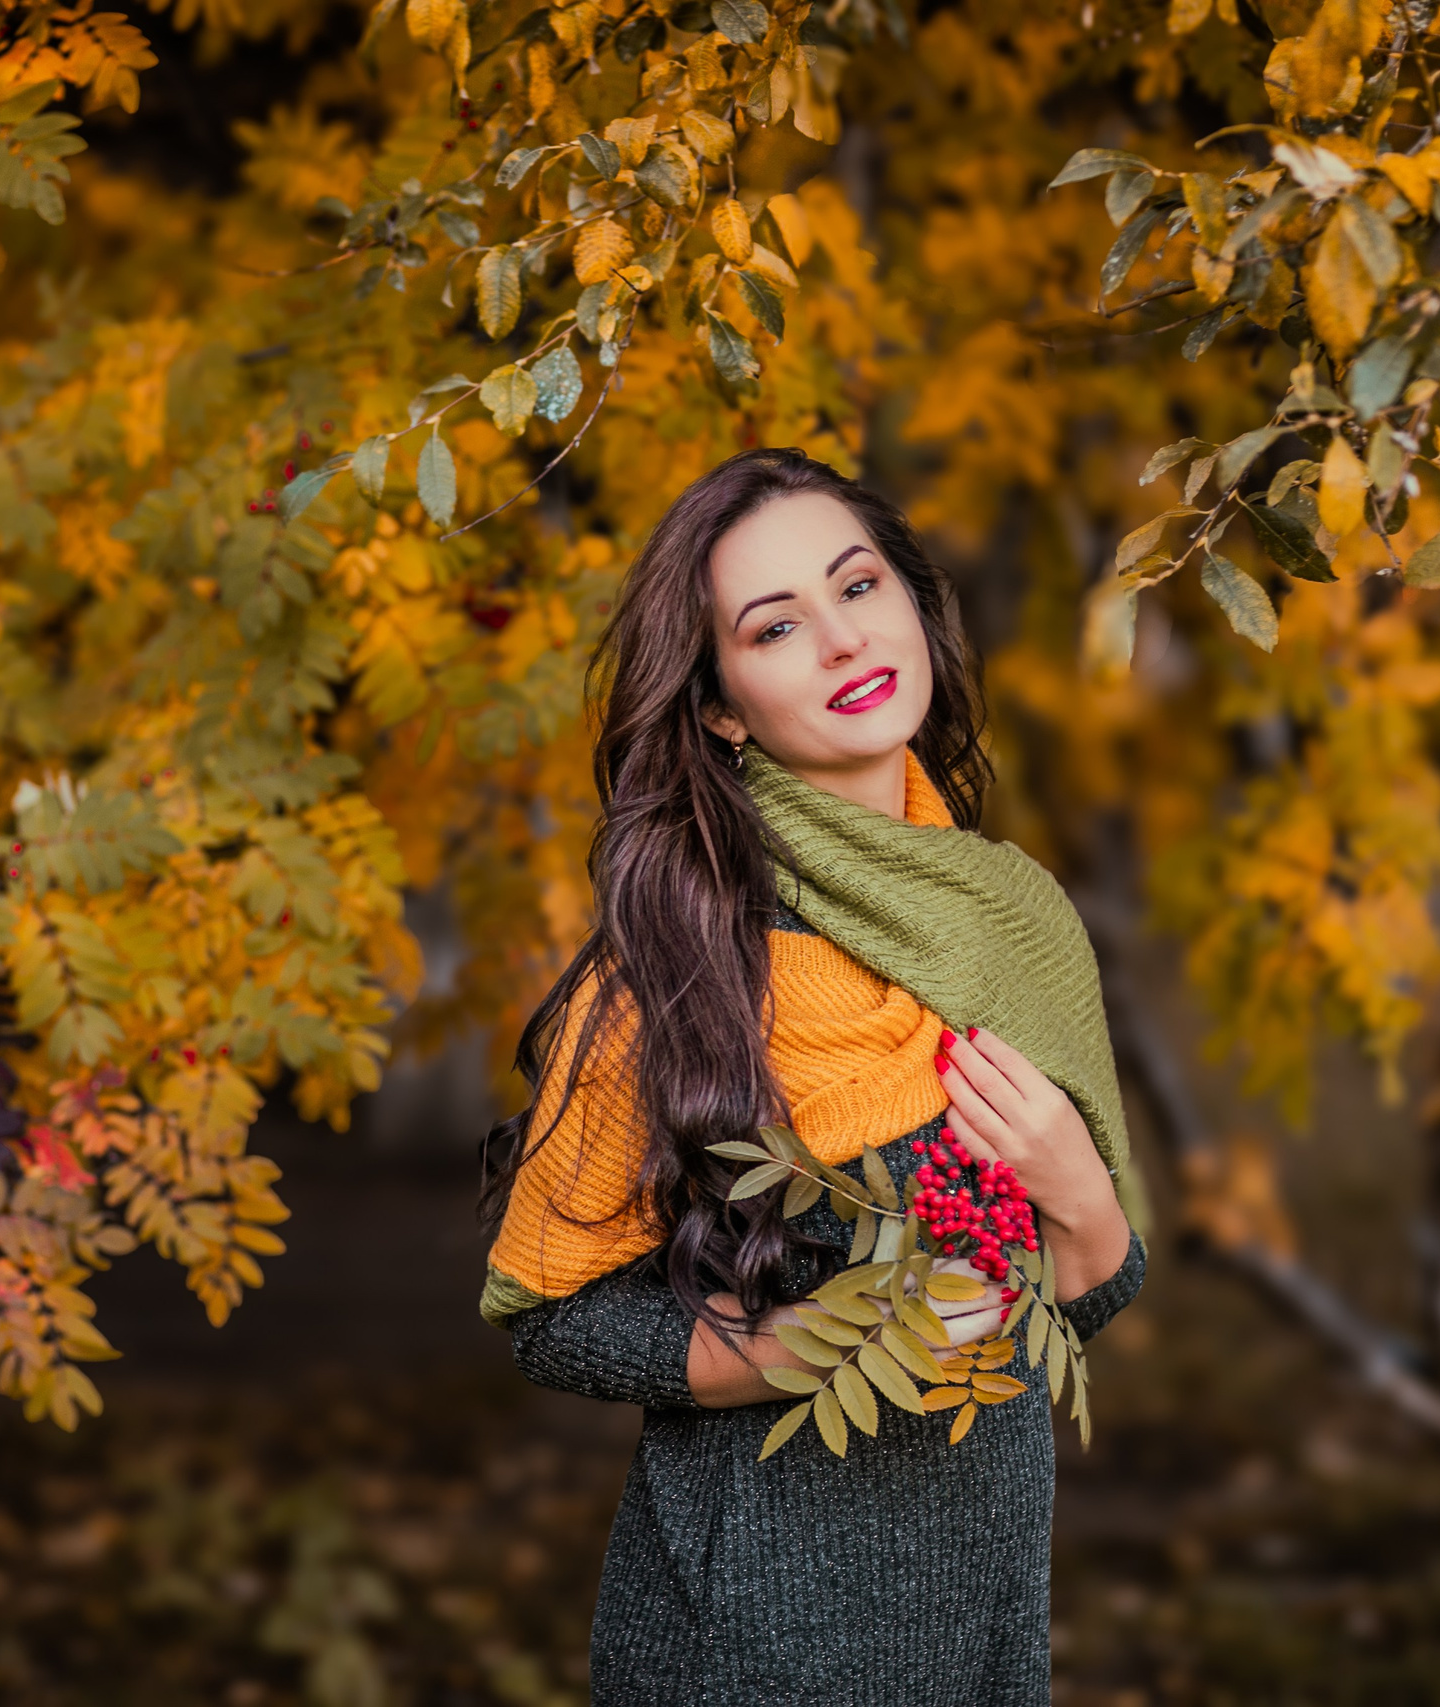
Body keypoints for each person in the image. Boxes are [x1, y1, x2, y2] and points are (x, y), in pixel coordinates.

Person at [478, 447, 1145, 1706]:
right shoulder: (678, 969)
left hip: (985, 1625)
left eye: (858, 587)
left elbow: (1078, 1302)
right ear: (722, 703)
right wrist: (784, 1352)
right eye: (776, 626)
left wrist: (1080, 1193)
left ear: (914, 607)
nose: (841, 642)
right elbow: (548, 1315)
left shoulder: (1017, 924)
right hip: (744, 1644)